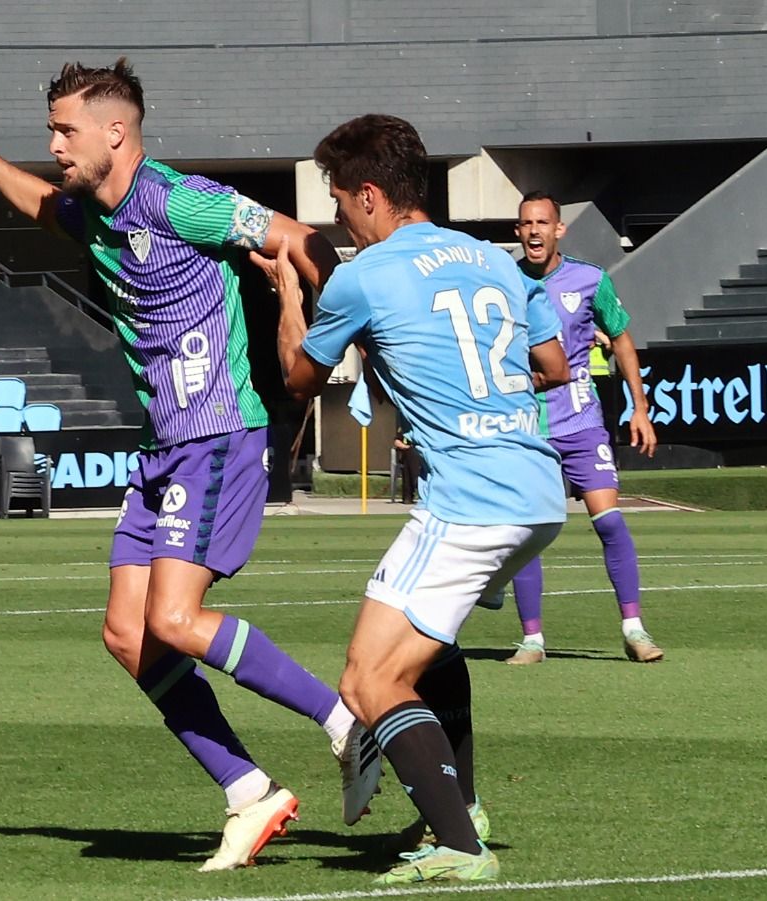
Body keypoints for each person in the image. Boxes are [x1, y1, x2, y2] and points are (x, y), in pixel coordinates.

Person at [0, 59, 381, 871]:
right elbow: (39, 204)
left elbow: (301, 240)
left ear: (115, 132)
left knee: (172, 620)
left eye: (66, 131)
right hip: (164, 448)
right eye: (53, 130)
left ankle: (346, 723)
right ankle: (249, 790)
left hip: (217, 433)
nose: (55, 144)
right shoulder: (97, 211)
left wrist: (341, 340)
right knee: (128, 635)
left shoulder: (180, 200)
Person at [254, 113, 570, 885]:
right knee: (434, 646)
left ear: (370, 195)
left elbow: (298, 378)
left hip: (471, 497)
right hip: (537, 486)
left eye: (338, 204)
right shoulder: (497, 261)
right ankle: (462, 802)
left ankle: (461, 843)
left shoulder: (366, 274)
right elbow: (555, 365)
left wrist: (290, 290)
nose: (336, 220)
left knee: (368, 679)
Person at [507, 191, 662, 665]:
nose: (534, 230)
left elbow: (621, 337)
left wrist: (640, 406)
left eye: (542, 223)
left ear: (558, 229)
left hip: (580, 418)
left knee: (610, 522)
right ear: (518, 231)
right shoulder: (502, 281)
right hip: (526, 423)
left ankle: (634, 630)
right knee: (529, 530)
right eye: (526, 223)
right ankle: (532, 639)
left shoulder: (590, 280)